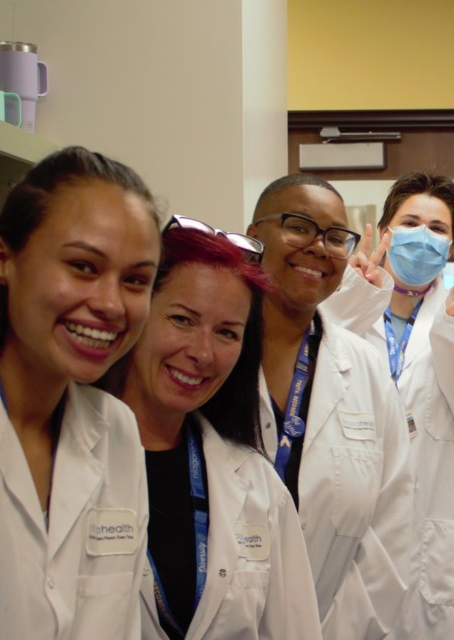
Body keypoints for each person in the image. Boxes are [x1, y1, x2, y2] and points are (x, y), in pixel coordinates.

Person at [0, 146, 162, 638]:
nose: (110, 304)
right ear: (3, 258)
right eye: (83, 266)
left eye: (135, 280)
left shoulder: (117, 432)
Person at [98, 219, 323, 639]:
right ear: (137, 314)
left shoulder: (257, 486)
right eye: (182, 320)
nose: (203, 353)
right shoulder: (59, 458)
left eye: (226, 333)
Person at [321, 172, 454, 640]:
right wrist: (351, 302)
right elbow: (305, 383)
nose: (423, 237)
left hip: (429, 533)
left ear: (451, 248)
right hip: (343, 518)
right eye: (411, 222)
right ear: (385, 232)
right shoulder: (340, 300)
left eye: (438, 229)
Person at [246, 174, 414, 639]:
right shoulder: (213, 354)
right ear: (254, 235)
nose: (319, 247)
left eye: (336, 237)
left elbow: (391, 528)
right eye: (299, 226)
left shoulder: (364, 369)